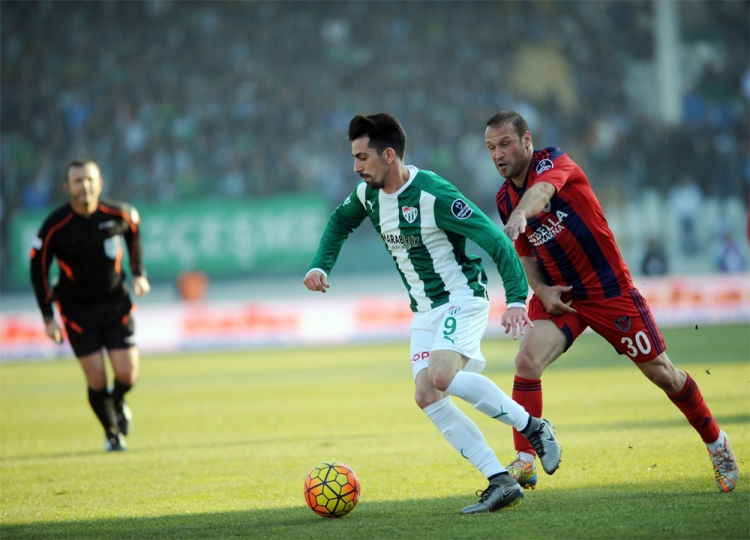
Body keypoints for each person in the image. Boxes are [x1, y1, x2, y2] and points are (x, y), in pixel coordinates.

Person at [303, 113, 562, 514]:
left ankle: (533, 426)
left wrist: (515, 299)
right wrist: (321, 265)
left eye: (362, 157)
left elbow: (495, 240)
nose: (355, 167)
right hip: (424, 311)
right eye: (354, 157)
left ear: (389, 155)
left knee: (441, 375)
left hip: (462, 297)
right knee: (427, 394)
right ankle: (500, 480)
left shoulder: (434, 194)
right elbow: (339, 222)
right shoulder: (367, 196)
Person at [485, 110, 739, 493]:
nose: (498, 154)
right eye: (491, 147)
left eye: (505, 144)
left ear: (527, 140)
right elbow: (526, 255)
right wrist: (541, 290)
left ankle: (717, 442)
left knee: (663, 374)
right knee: (527, 360)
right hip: (562, 293)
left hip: (608, 289)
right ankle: (525, 459)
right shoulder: (504, 197)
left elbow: (543, 193)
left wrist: (522, 213)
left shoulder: (554, 162)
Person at [30, 159, 150, 452]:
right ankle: (112, 434)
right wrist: (48, 317)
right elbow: (38, 268)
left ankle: (117, 401)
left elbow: (134, 232)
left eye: (89, 179)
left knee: (127, 375)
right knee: (96, 377)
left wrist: (138, 274)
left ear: (100, 184)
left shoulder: (119, 213)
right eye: (77, 181)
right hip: (77, 310)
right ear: (67, 187)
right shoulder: (55, 226)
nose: (84, 185)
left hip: (116, 304)